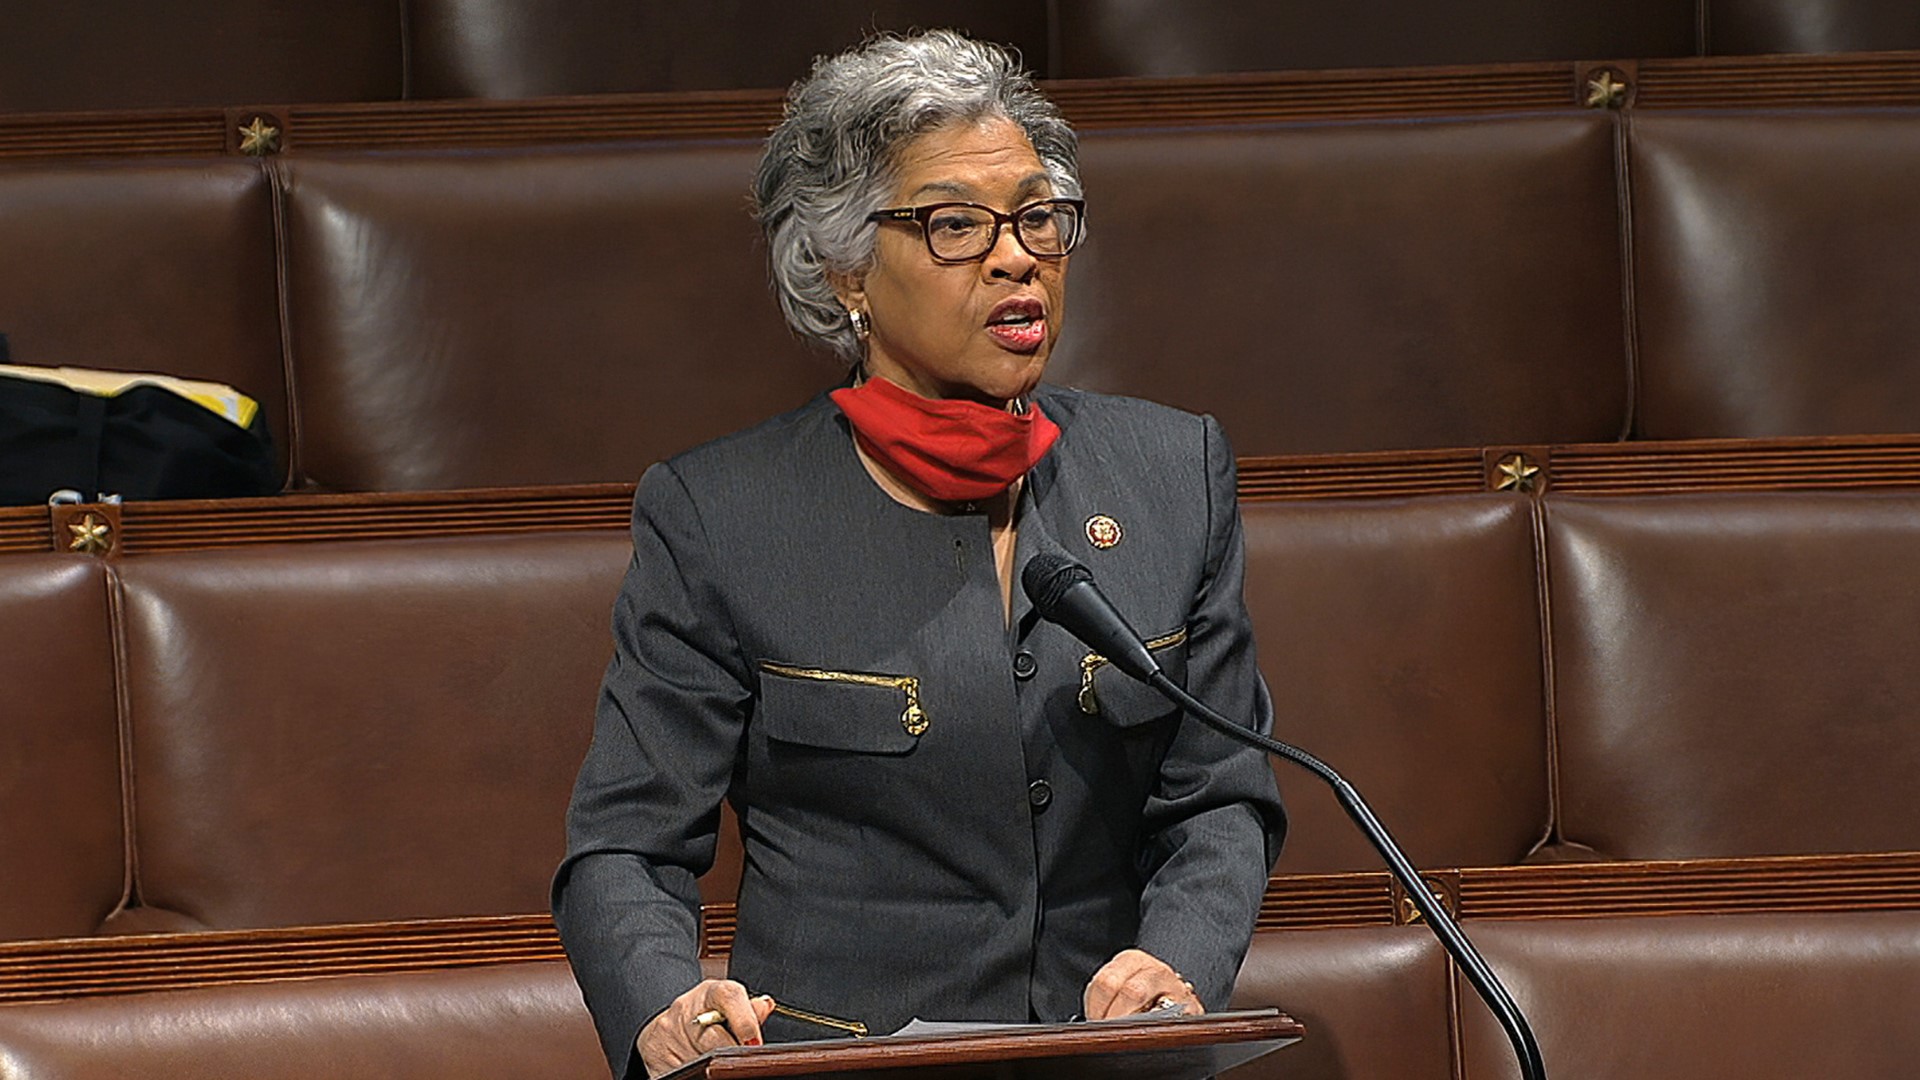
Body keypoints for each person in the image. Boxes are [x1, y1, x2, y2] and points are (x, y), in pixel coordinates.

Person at [553, 29, 1286, 1079]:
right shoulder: (721, 515)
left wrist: (1173, 965)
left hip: (1114, 1062)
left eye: (1038, 217)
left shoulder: (1175, 473)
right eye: (955, 226)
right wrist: (669, 1007)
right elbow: (624, 846)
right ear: (846, 266)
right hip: (842, 1068)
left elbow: (1222, 796)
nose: (1016, 255)